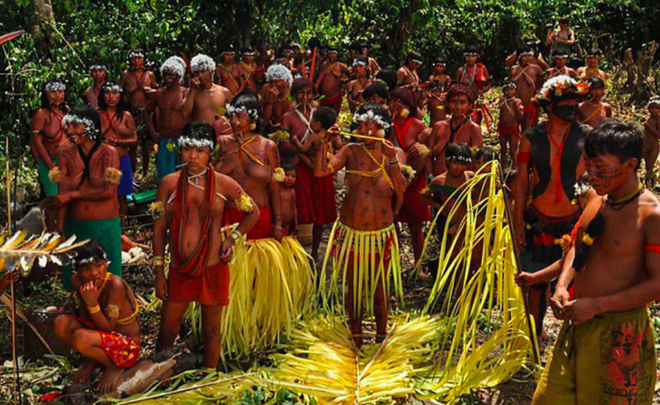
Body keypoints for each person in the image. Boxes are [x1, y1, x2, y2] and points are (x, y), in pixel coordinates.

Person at [532, 120, 659, 404]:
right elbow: (578, 249)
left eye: (600, 167)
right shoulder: (597, 202)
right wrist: (562, 285)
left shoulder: (651, 215)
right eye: (588, 165)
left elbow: (658, 285)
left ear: (630, 165)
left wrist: (598, 305)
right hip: (578, 327)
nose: (591, 175)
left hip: (621, 337)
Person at [153, 122, 259, 370]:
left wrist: (232, 239)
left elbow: (252, 212)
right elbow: (159, 228)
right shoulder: (169, 183)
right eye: (188, 149)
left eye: (200, 151)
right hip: (179, 269)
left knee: (212, 331)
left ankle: (208, 381)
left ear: (210, 152)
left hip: (213, 268)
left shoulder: (224, 185)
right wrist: (159, 271)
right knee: (167, 331)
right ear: (180, 150)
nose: (193, 156)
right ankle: (157, 380)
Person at [315, 102, 409, 347]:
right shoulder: (350, 151)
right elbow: (321, 172)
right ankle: (355, 339)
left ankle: (380, 338)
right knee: (353, 287)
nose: (365, 130)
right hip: (352, 233)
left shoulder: (393, 153)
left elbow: (401, 188)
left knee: (380, 289)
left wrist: (390, 160)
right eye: (361, 125)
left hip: (380, 235)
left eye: (371, 125)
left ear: (382, 127)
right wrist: (324, 142)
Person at [514, 75, 591, 341]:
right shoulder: (531, 137)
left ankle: (574, 341)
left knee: (576, 283)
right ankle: (534, 338)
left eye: (574, 101)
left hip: (574, 221)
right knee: (535, 284)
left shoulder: (587, 135)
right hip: (537, 220)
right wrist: (516, 223)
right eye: (564, 101)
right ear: (548, 105)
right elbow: (521, 181)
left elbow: (593, 181)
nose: (571, 106)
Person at [47, 105, 122, 292]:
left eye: (75, 126)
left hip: (105, 225)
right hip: (76, 227)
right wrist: (60, 229)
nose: (70, 131)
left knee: (108, 280)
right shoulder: (64, 154)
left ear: (91, 127)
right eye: (68, 126)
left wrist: (74, 194)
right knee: (77, 280)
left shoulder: (109, 153)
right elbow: (62, 193)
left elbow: (109, 192)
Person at [54, 240, 140, 393]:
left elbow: (108, 328)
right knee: (61, 323)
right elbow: (85, 318)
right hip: (101, 340)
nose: (94, 273)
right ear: (78, 271)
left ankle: (113, 366)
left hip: (126, 349)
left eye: (99, 265)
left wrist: (92, 303)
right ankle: (93, 360)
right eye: (87, 269)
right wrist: (85, 303)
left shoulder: (115, 285)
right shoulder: (78, 282)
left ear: (106, 264)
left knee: (81, 337)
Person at [290, 106, 342, 261]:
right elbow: (340, 149)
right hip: (324, 176)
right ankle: (314, 250)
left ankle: (297, 248)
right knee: (319, 216)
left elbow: (304, 150)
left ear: (318, 124)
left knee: (305, 210)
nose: (310, 123)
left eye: (312, 121)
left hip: (313, 174)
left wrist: (296, 144)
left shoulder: (314, 137)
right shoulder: (331, 136)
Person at [389, 87, 431, 267]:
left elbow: (428, 150)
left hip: (414, 181)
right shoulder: (387, 125)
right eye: (394, 101)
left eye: (402, 103)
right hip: (392, 180)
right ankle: (395, 263)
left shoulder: (417, 124)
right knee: (393, 224)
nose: (397, 106)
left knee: (415, 225)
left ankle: (419, 265)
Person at [31, 81, 71, 232]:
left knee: (66, 197)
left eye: (61, 91)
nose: (58, 95)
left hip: (67, 162)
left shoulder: (66, 111)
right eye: (53, 92)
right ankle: (50, 231)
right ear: (46, 94)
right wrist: (50, 166)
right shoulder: (41, 114)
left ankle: (63, 231)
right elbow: (37, 142)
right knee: (53, 199)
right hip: (50, 162)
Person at [146, 56, 189, 180]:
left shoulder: (185, 93)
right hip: (164, 140)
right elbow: (147, 112)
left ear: (179, 76)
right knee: (165, 177)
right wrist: (153, 133)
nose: (167, 79)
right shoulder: (159, 94)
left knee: (183, 175)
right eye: (165, 75)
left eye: (171, 75)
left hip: (181, 140)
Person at [97, 82, 137, 215]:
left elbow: (134, 140)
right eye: (107, 93)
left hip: (122, 159)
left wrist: (119, 142)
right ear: (102, 95)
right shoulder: (97, 114)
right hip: (102, 160)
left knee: (122, 196)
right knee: (103, 193)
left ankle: (123, 226)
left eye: (115, 93)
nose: (111, 97)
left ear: (120, 96)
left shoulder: (126, 116)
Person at [429, 84, 484, 176]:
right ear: (447, 103)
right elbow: (428, 157)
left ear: (470, 105)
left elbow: (476, 160)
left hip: (462, 183)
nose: (457, 107)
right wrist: (430, 177)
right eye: (453, 102)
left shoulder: (474, 129)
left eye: (462, 103)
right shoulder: (439, 126)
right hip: (438, 180)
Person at [423, 142, 475, 237]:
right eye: (455, 163)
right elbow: (424, 196)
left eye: (463, 164)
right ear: (448, 161)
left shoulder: (471, 177)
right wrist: (438, 206)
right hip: (448, 224)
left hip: (469, 225)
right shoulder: (439, 182)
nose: (459, 168)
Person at [120, 49, 157, 178]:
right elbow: (120, 93)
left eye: (139, 58)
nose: (137, 61)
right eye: (134, 59)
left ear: (144, 60)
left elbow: (156, 91)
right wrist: (131, 92)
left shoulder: (149, 75)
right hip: (132, 112)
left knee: (146, 144)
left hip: (146, 112)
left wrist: (150, 91)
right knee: (132, 144)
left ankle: (146, 172)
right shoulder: (126, 75)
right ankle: (133, 172)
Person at [183, 54, 233, 125]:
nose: (200, 75)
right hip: (199, 133)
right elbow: (185, 114)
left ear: (211, 71)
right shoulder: (191, 92)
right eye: (197, 72)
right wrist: (192, 89)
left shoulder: (223, 92)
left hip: (219, 133)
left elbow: (235, 113)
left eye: (203, 71)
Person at [509, 46, 545, 131]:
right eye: (524, 56)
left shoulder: (536, 68)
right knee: (514, 129)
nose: (526, 58)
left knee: (527, 130)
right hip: (515, 104)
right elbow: (508, 84)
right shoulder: (513, 69)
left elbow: (546, 76)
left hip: (529, 103)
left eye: (528, 56)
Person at [454, 46, 490, 123]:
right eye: (468, 56)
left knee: (476, 121)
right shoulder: (461, 71)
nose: (470, 59)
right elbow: (455, 87)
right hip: (463, 101)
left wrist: (482, 91)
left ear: (476, 57)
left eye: (473, 56)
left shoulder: (482, 68)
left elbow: (489, 83)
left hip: (477, 100)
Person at [261, 63, 294, 133]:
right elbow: (264, 122)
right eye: (271, 82)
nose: (273, 85)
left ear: (286, 81)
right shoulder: (267, 91)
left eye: (276, 82)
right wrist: (269, 101)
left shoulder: (293, 96)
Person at [315, 46, 349, 114]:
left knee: (334, 116)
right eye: (329, 53)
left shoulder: (341, 66)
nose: (331, 55)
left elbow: (350, 76)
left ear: (337, 55)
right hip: (323, 97)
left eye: (333, 53)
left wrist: (344, 80)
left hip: (335, 96)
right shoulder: (323, 65)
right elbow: (319, 78)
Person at [498, 81, 524, 166]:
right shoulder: (502, 100)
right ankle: (503, 167)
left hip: (512, 128)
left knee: (513, 150)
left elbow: (521, 117)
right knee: (503, 149)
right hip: (502, 128)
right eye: (507, 90)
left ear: (515, 91)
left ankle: (515, 167)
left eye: (511, 89)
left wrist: (517, 108)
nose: (509, 92)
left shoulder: (517, 101)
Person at [427, 57, 452, 125]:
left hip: (442, 101)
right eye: (437, 66)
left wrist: (444, 94)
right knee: (433, 118)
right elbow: (427, 90)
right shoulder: (431, 78)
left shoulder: (446, 78)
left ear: (444, 68)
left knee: (441, 116)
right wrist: (429, 94)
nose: (438, 68)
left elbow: (449, 90)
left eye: (440, 66)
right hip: (433, 100)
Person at [643, 96, 660, 186]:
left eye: (657, 108)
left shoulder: (658, 120)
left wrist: (648, 127)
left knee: (650, 166)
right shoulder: (648, 119)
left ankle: (650, 182)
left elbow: (658, 135)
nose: (654, 110)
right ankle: (648, 182)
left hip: (654, 146)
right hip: (645, 146)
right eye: (652, 107)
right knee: (646, 165)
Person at [280, 163, 298, 236]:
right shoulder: (277, 191)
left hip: (288, 226)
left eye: (293, 176)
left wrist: (296, 224)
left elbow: (294, 208)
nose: (290, 179)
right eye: (287, 175)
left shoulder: (292, 192)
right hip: (276, 225)